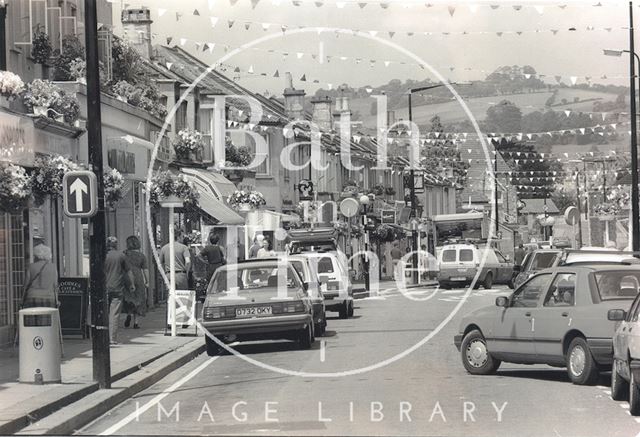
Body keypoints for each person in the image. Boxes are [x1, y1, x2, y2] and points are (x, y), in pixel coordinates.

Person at [105, 237, 133, 344]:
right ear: (115, 244)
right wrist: (132, 284)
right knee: (114, 314)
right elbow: (129, 271)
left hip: (104, 287)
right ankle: (112, 338)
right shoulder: (121, 255)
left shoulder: (103, 255)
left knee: (103, 313)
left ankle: (102, 336)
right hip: (117, 287)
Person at [22, 244, 59, 308]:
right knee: (47, 317)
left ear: (36, 255)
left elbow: (25, 285)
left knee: (32, 317)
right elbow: (55, 286)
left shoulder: (31, 267)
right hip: (49, 297)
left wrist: (22, 300)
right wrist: (57, 300)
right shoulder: (53, 267)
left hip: (32, 297)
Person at [123, 236, 148, 329]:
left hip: (126, 277)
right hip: (138, 277)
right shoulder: (141, 256)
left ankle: (128, 314)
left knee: (129, 297)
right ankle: (136, 322)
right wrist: (147, 281)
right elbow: (145, 270)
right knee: (138, 298)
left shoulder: (124, 254)